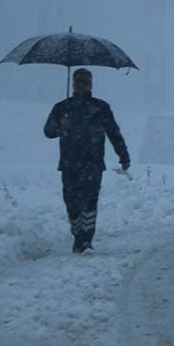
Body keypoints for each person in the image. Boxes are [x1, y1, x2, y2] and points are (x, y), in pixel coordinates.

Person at [44, 69, 130, 253]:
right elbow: (48, 131)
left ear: (91, 84)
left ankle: (87, 239)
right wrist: (61, 125)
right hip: (69, 163)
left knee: (90, 201)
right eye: (78, 82)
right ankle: (77, 235)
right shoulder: (62, 108)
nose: (81, 86)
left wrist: (123, 155)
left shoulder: (100, 108)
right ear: (73, 84)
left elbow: (113, 132)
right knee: (71, 202)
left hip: (93, 163)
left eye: (85, 82)